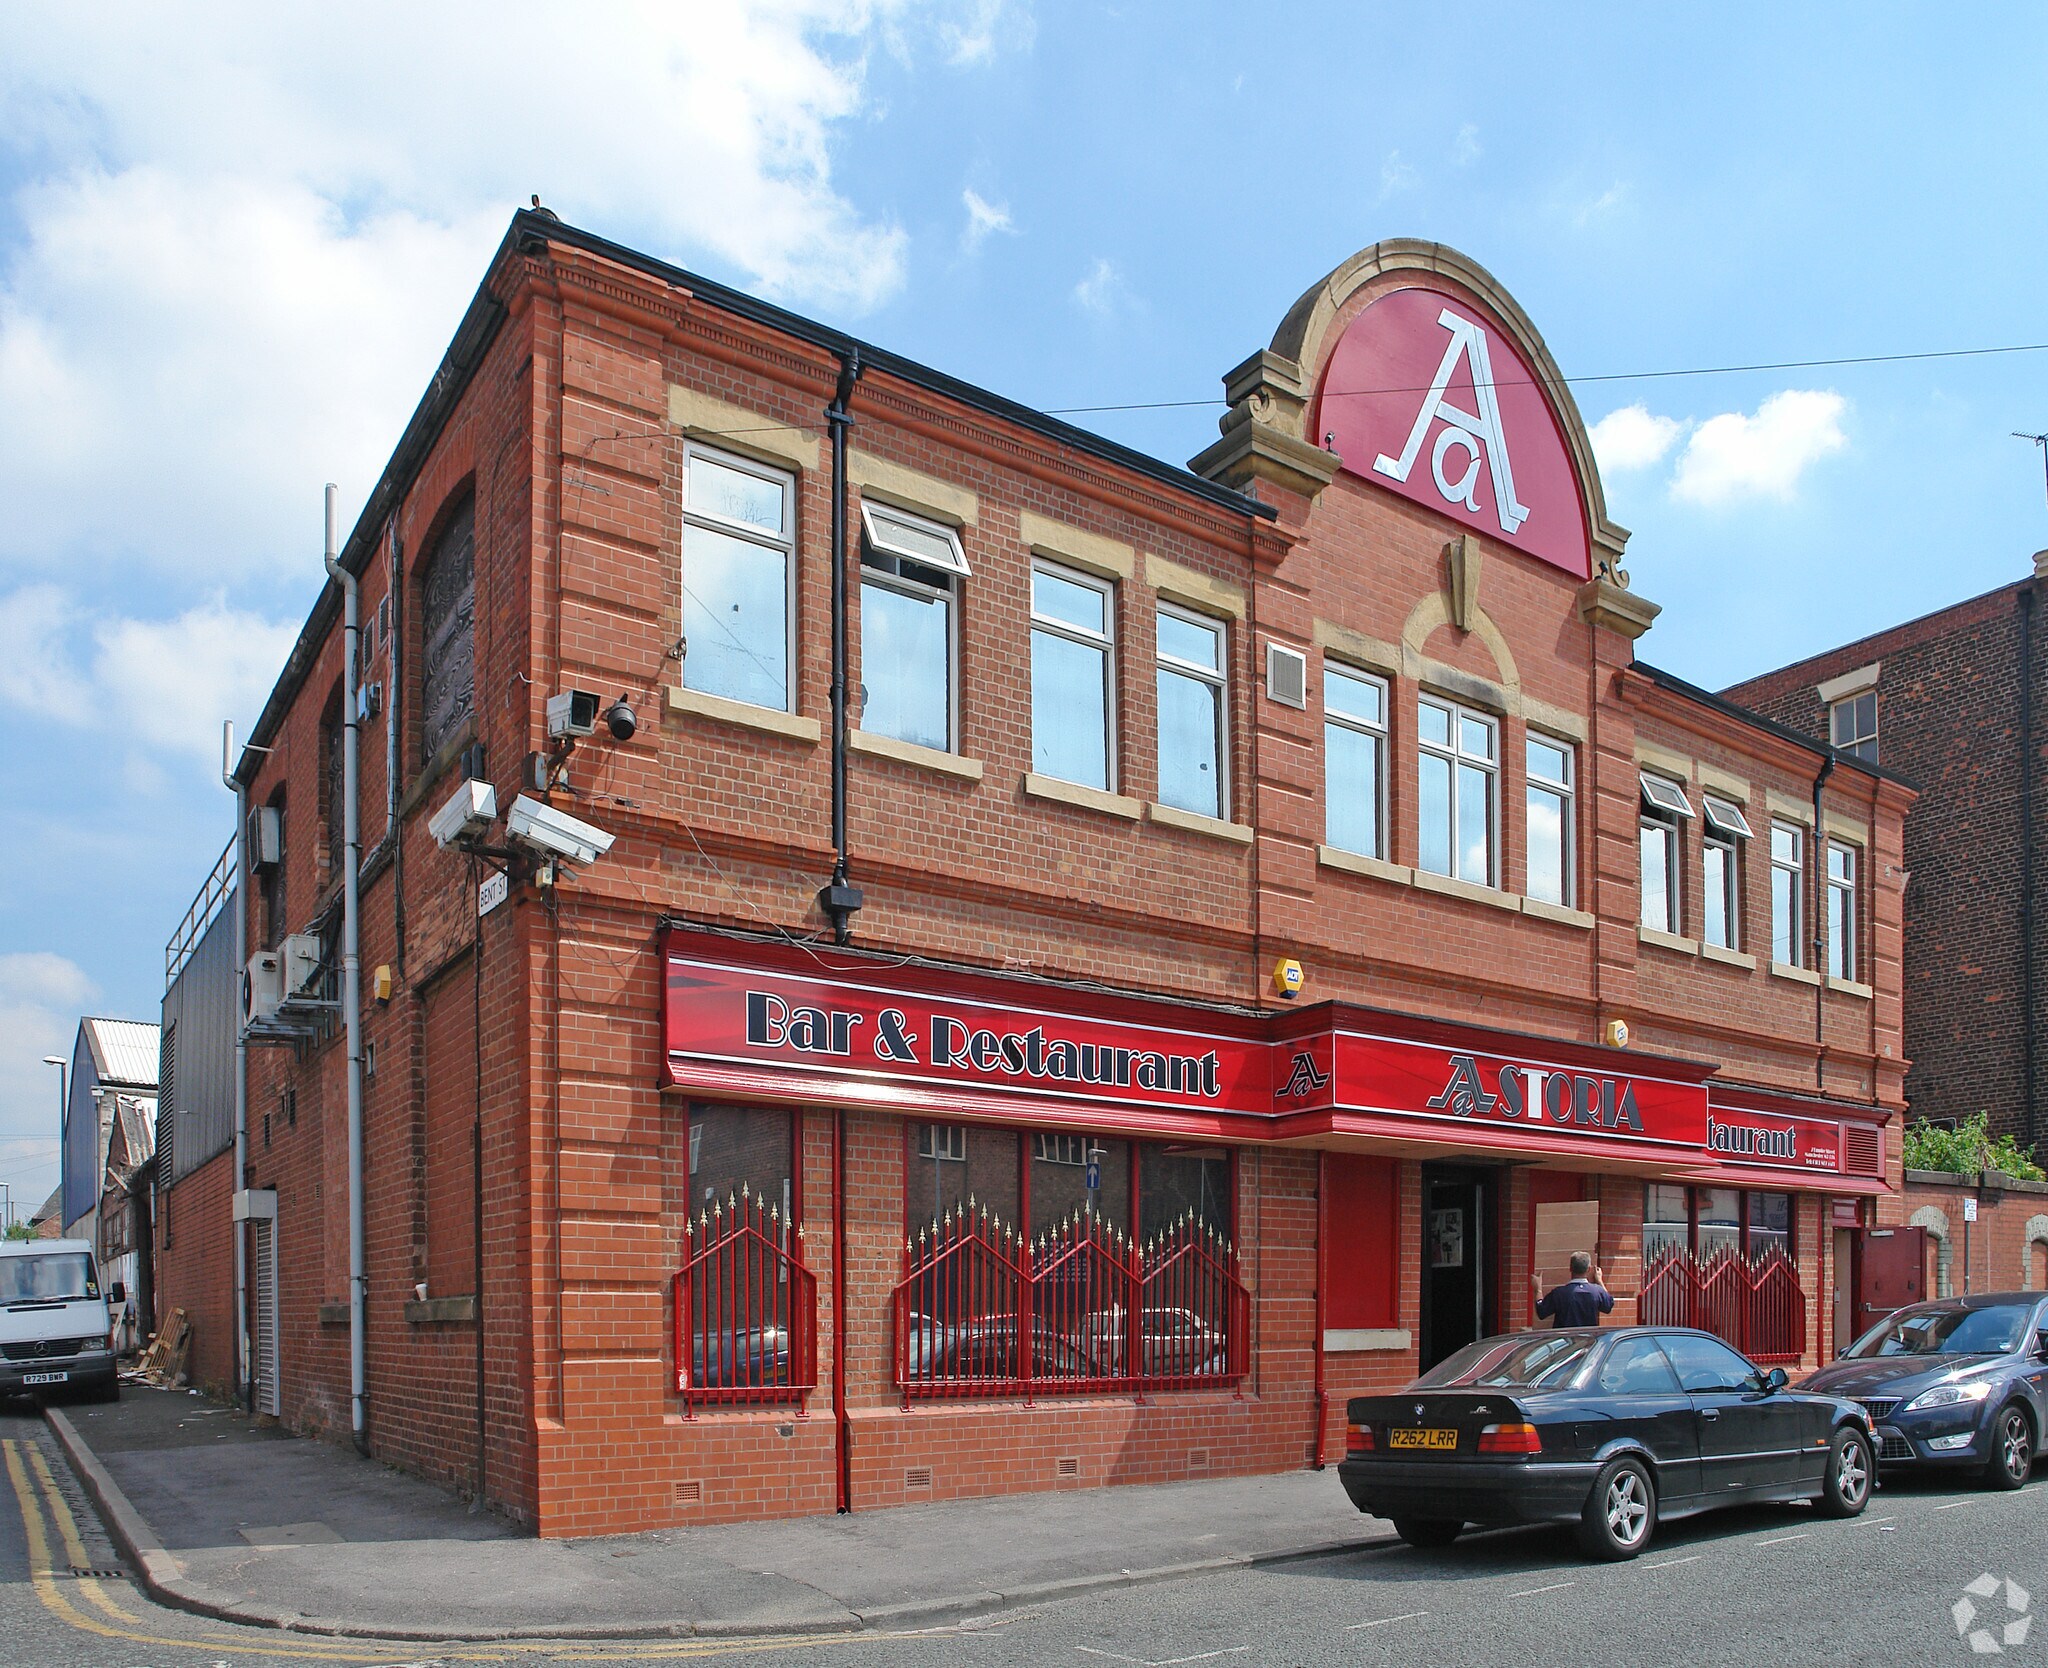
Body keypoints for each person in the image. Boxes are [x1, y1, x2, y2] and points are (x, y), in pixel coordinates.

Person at [1533, 1251, 1613, 1328]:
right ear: (1588, 1269)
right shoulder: (1597, 1291)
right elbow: (1608, 1305)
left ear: (1570, 1268)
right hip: (1587, 1339)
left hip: (1564, 1340)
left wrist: (1538, 1289)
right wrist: (1600, 1281)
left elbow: (1542, 1312)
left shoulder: (1559, 1293)